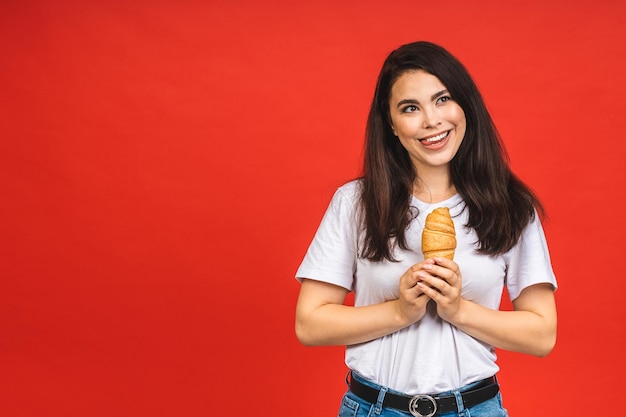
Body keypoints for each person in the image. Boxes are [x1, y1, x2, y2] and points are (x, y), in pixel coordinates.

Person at [294, 41, 557, 417]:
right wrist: (401, 311)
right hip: (375, 408)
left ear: (465, 105)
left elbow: (542, 334)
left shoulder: (511, 206)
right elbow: (309, 323)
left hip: (475, 408)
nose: (431, 120)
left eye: (442, 99)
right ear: (392, 124)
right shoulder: (355, 202)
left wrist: (457, 309)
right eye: (410, 108)